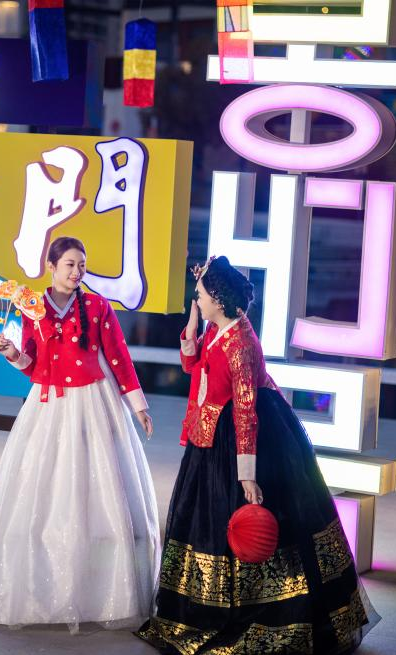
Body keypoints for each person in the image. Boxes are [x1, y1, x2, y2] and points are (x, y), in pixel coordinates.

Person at [136, 256, 379, 654]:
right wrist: (192, 330)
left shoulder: (242, 344)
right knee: (204, 522)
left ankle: (257, 615)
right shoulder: (218, 327)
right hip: (211, 434)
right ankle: (200, 610)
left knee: (242, 525)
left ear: (218, 299)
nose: (196, 299)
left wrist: (246, 474)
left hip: (238, 441)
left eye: (200, 294)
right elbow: (195, 367)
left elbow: (246, 412)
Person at [0, 236, 161, 633]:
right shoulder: (32, 307)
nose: (77, 272)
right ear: (51, 266)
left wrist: (137, 405)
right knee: (45, 483)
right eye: (70, 264)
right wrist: (12, 354)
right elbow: (33, 364)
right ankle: (43, 584)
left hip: (93, 400)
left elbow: (118, 356)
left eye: (81, 265)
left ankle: (96, 585)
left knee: (97, 484)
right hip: (49, 404)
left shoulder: (98, 307)